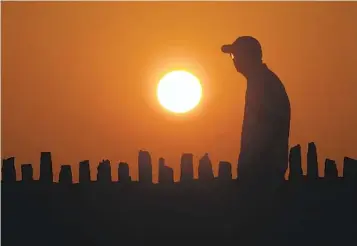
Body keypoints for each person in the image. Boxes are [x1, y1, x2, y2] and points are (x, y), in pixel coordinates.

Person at [221, 36, 291, 194]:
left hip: (263, 175)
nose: (234, 61)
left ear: (249, 56)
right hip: (262, 172)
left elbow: (262, 131)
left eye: (236, 56)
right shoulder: (260, 81)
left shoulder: (263, 84)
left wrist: (249, 167)